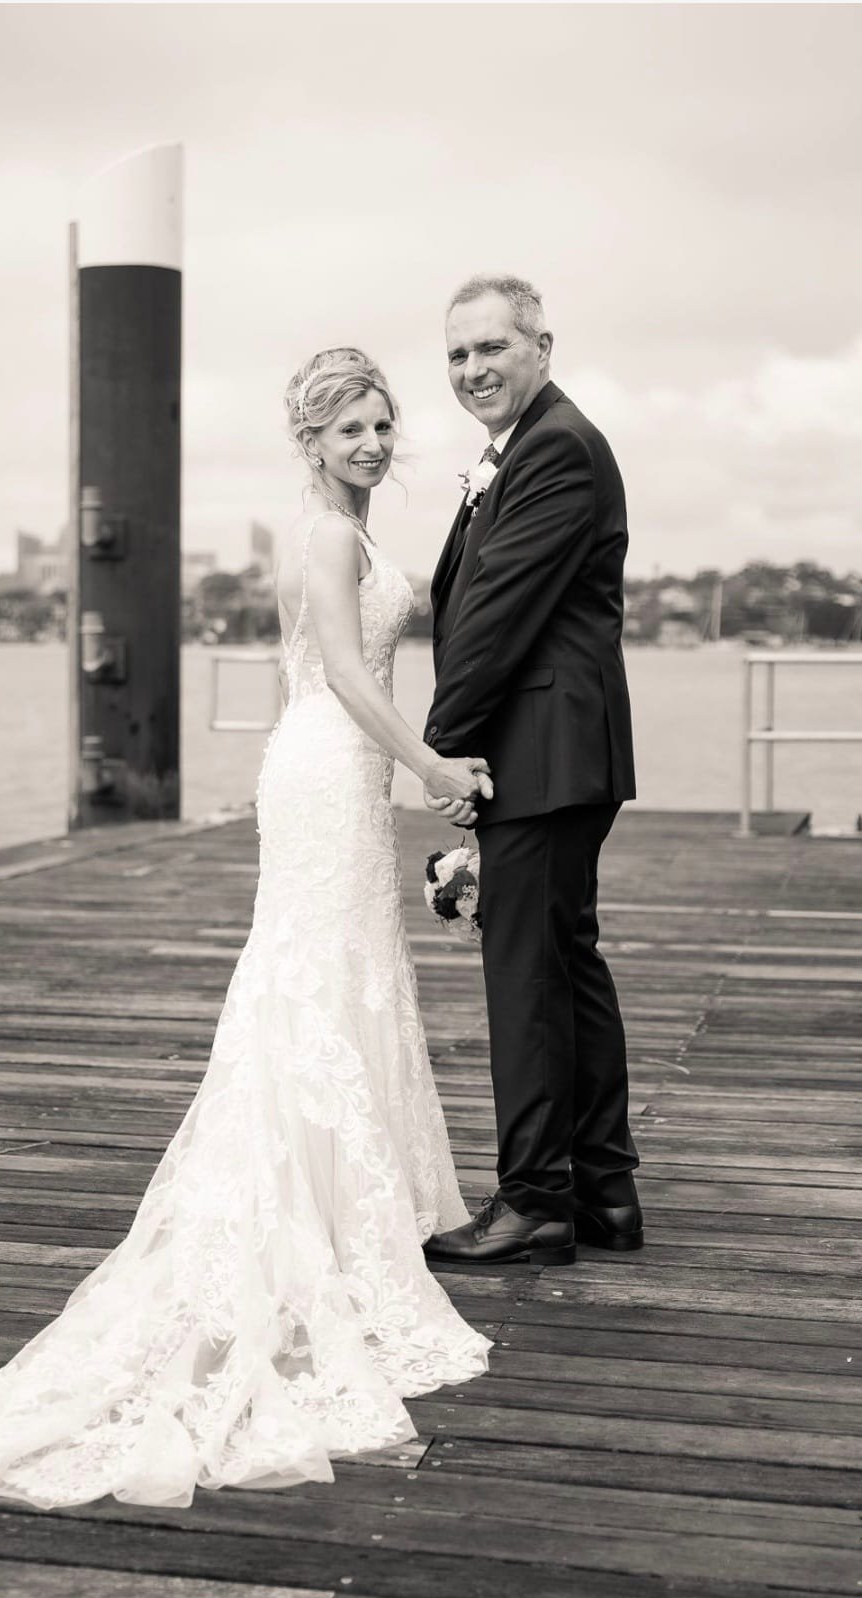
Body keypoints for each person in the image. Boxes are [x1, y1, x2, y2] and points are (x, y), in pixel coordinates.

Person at [0, 348, 490, 1512]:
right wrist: (430, 761)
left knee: (344, 975)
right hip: (331, 768)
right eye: (350, 432)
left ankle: (346, 1199)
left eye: (384, 426)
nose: (375, 445)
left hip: (335, 776)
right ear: (313, 444)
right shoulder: (330, 537)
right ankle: (310, 1217)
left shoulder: (357, 528)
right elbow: (341, 670)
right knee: (317, 977)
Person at [423, 276, 642, 1269]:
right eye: (459, 354)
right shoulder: (525, 447)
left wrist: (441, 750)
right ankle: (601, 1190)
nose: (473, 369)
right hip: (559, 748)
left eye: (491, 348)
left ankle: (534, 1200)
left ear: (541, 347)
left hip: (539, 750)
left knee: (525, 977)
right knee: (565, 966)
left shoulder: (554, 447)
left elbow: (494, 617)